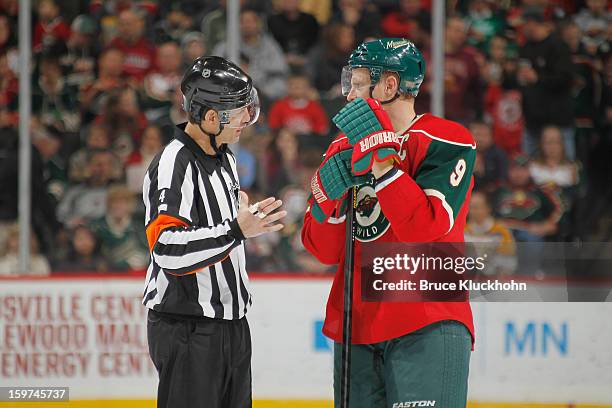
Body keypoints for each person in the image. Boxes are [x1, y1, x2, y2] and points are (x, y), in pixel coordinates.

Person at [302, 39, 475, 408]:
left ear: (390, 86)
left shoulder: (445, 138)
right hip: (357, 328)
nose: (348, 92)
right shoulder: (342, 147)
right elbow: (325, 251)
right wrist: (324, 204)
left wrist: (383, 164)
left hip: (427, 319)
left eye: (359, 81)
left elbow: (425, 229)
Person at [143, 56, 287, 408]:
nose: (246, 120)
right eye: (239, 111)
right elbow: (166, 250)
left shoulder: (225, 158)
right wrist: (236, 229)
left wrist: (238, 222)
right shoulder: (173, 164)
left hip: (231, 326)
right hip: (188, 328)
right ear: (211, 117)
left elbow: (219, 230)